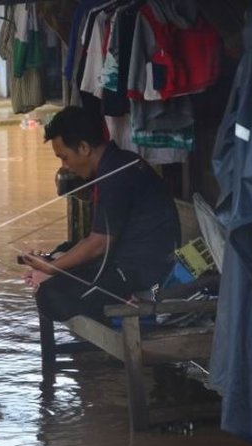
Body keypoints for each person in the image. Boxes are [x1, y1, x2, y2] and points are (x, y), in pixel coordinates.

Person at [22, 106, 182, 323]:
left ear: (84, 147)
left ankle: (127, 304)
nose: (65, 166)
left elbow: (99, 244)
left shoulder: (116, 174)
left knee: (51, 296)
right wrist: (52, 263)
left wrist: (52, 268)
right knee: (63, 251)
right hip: (125, 259)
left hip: (143, 273)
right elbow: (94, 240)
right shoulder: (115, 164)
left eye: (65, 157)